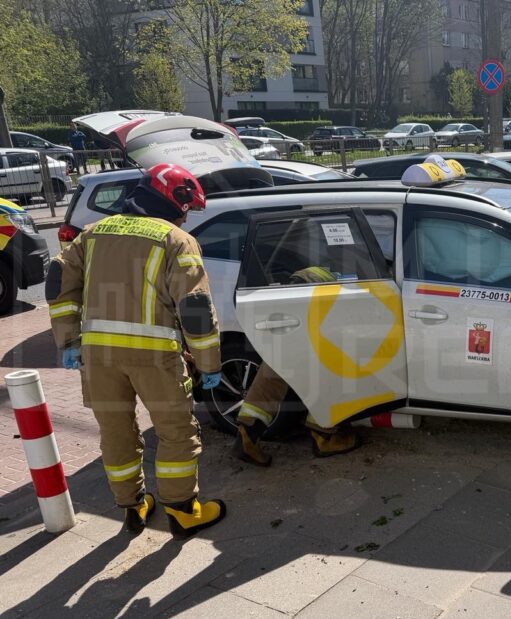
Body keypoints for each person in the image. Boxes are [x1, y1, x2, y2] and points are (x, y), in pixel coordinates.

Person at [47, 163, 227, 538]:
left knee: (116, 433)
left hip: (99, 358)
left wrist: (67, 341)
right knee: (176, 432)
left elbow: (60, 288)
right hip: (155, 358)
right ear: (172, 201)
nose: (185, 217)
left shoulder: (92, 234)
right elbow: (195, 310)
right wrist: (209, 363)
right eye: (186, 209)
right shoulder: (175, 240)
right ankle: (182, 510)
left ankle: (133, 506)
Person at [232, 266, 360, 467]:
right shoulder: (359, 254)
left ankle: (246, 435)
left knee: (280, 360)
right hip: (316, 294)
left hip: (290, 291)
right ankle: (323, 435)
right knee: (335, 357)